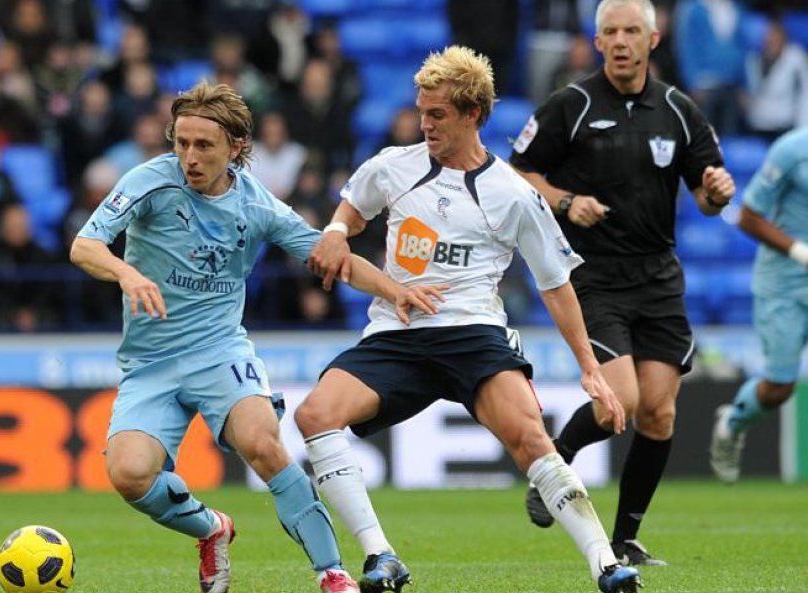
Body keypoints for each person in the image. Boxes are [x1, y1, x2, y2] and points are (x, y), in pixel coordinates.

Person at [69, 81, 444, 593]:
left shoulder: (258, 205)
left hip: (219, 350)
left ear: (236, 147)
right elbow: (85, 245)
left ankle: (331, 572)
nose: (189, 157)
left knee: (262, 442)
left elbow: (328, 254)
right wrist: (127, 274)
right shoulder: (148, 182)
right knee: (130, 475)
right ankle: (212, 528)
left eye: (204, 146)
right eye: (181, 143)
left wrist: (393, 288)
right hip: (150, 360)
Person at [298, 45, 642, 593]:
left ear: (473, 115)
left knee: (532, 439)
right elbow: (350, 209)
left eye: (438, 115)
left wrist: (590, 369)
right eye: (421, 112)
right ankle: (381, 556)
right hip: (397, 332)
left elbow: (555, 285)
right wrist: (337, 233)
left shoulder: (513, 194)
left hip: (473, 335)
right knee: (315, 414)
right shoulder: (393, 167)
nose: (425, 124)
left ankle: (605, 564)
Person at [508, 0, 736, 567]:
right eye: (610, 31)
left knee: (658, 413)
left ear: (653, 40)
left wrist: (717, 192)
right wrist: (564, 201)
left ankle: (624, 537)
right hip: (594, 276)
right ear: (598, 39)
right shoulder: (573, 104)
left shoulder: (680, 111)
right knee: (621, 405)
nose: (621, 40)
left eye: (632, 30)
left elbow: (708, 198)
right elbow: (516, 169)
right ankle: (555, 458)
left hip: (658, 278)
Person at [710, 126, 808, 483]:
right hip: (785, 283)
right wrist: (801, 253)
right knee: (780, 386)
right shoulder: (793, 150)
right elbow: (748, 217)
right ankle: (733, 422)